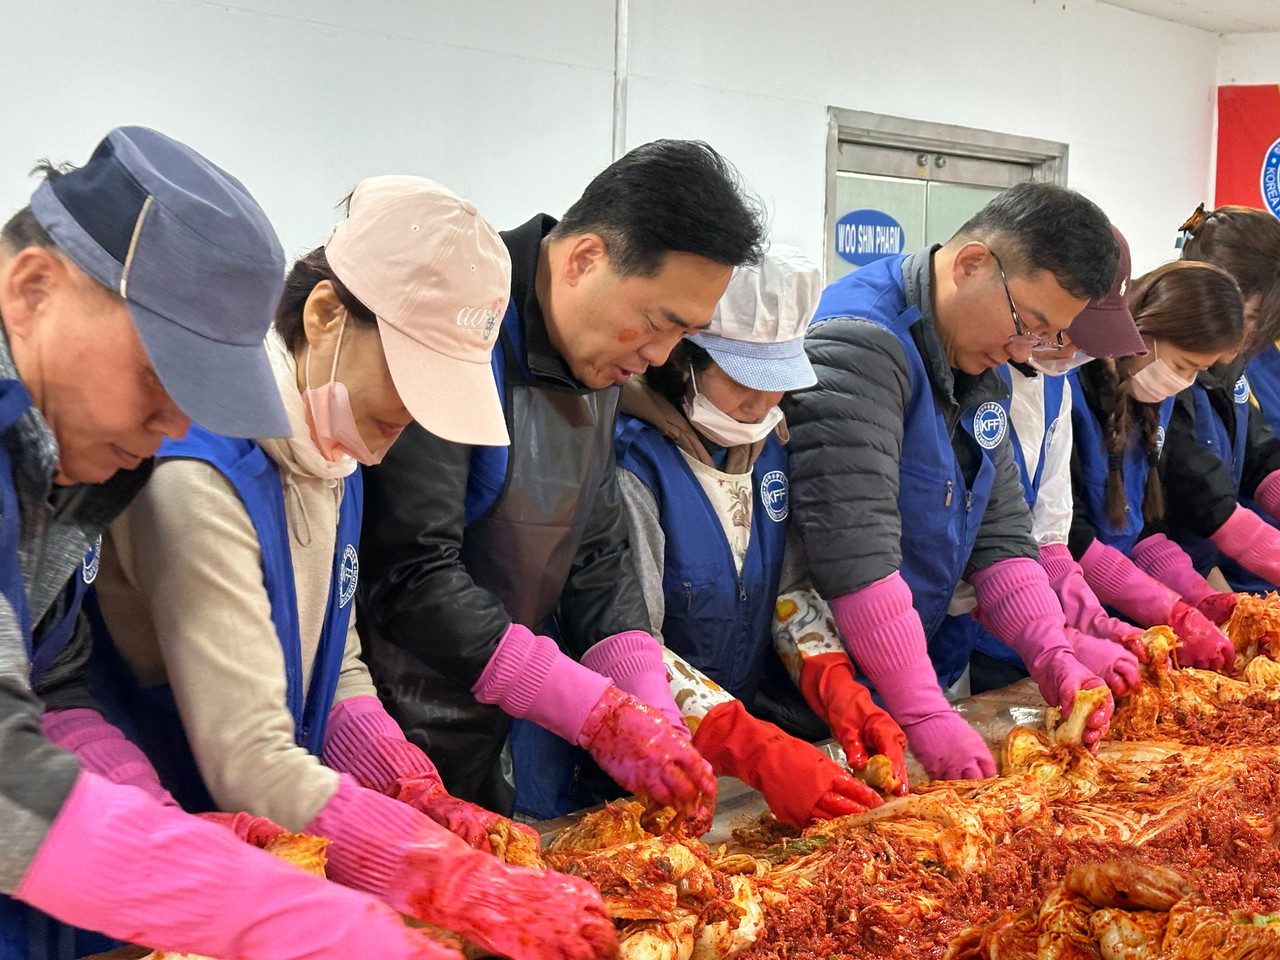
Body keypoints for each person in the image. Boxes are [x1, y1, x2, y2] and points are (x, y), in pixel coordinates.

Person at [89, 176, 614, 960]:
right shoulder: (200, 471)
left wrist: (410, 784)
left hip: (273, 857)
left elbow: (332, 665)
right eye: (404, 382)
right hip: (153, 864)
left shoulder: (335, 457)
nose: (404, 422)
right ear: (324, 314)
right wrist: (424, 865)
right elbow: (250, 755)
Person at [0, 129, 459, 960]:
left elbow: (54, 684)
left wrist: (154, 818)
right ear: (32, 289)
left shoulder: (61, 464)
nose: (175, 425)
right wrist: (244, 902)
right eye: (157, 378)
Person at [357, 140, 762, 819]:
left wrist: (648, 704)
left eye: (685, 334)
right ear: (584, 259)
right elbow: (410, 572)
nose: (660, 356)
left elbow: (596, 550)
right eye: (660, 324)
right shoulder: (464, 325)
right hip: (385, 734)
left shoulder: (600, 354)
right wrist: (591, 712)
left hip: (485, 730)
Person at [786, 182, 1121, 782]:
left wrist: (1051, 649)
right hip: (817, 694)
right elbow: (854, 548)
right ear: (971, 264)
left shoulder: (974, 355)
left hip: (898, 673)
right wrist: (923, 711)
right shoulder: (860, 342)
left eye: (1047, 338)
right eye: (1029, 323)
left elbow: (1000, 528)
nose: (1028, 350)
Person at [608, 245, 904, 827]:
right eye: (746, 382)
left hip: (738, 760)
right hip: (634, 764)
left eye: (779, 386)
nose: (764, 404)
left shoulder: (768, 448)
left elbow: (787, 592)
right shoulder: (632, 465)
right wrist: (752, 747)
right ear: (682, 361)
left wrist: (835, 682)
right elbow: (626, 643)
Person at [943, 225, 1151, 696]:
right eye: (1061, 334)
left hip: (988, 629)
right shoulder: (969, 377)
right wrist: (1059, 639)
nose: (1071, 351)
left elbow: (1048, 530)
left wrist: (1090, 618)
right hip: (956, 621)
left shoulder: (1054, 381)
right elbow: (952, 545)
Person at [1065, 261, 1241, 671]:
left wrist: (1196, 596)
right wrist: (1166, 609)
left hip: (1115, 631)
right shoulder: (1071, 391)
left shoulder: (1151, 402)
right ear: (1142, 332)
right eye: (1181, 366)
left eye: (1197, 372)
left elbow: (1144, 529)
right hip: (1047, 624)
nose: (1183, 382)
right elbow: (1066, 535)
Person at [1133, 205, 1280, 604]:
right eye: (1248, 317)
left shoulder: (1227, 364)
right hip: (1145, 592)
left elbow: (1257, 454)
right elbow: (1196, 487)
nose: (1242, 341)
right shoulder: (1156, 377)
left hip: (1192, 574)